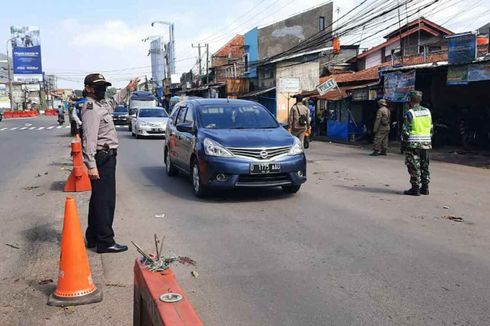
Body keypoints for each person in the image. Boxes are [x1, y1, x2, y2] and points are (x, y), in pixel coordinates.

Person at [81, 73, 139, 253]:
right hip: (102, 158)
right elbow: (88, 139)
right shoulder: (91, 109)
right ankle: (105, 242)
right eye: (99, 87)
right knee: (105, 201)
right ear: (89, 88)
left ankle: (92, 237)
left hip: (106, 156)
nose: (103, 90)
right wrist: (91, 165)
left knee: (98, 200)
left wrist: (127, 89)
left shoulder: (100, 104)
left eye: (104, 86)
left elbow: (113, 102)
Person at [401, 90, 433, 196]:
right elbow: (431, 128)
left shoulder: (410, 113)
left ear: (410, 100)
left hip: (413, 143)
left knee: (414, 165)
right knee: (425, 165)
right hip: (426, 143)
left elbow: (405, 131)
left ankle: (415, 188)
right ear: (420, 100)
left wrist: (404, 144)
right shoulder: (427, 111)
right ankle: (425, 188)